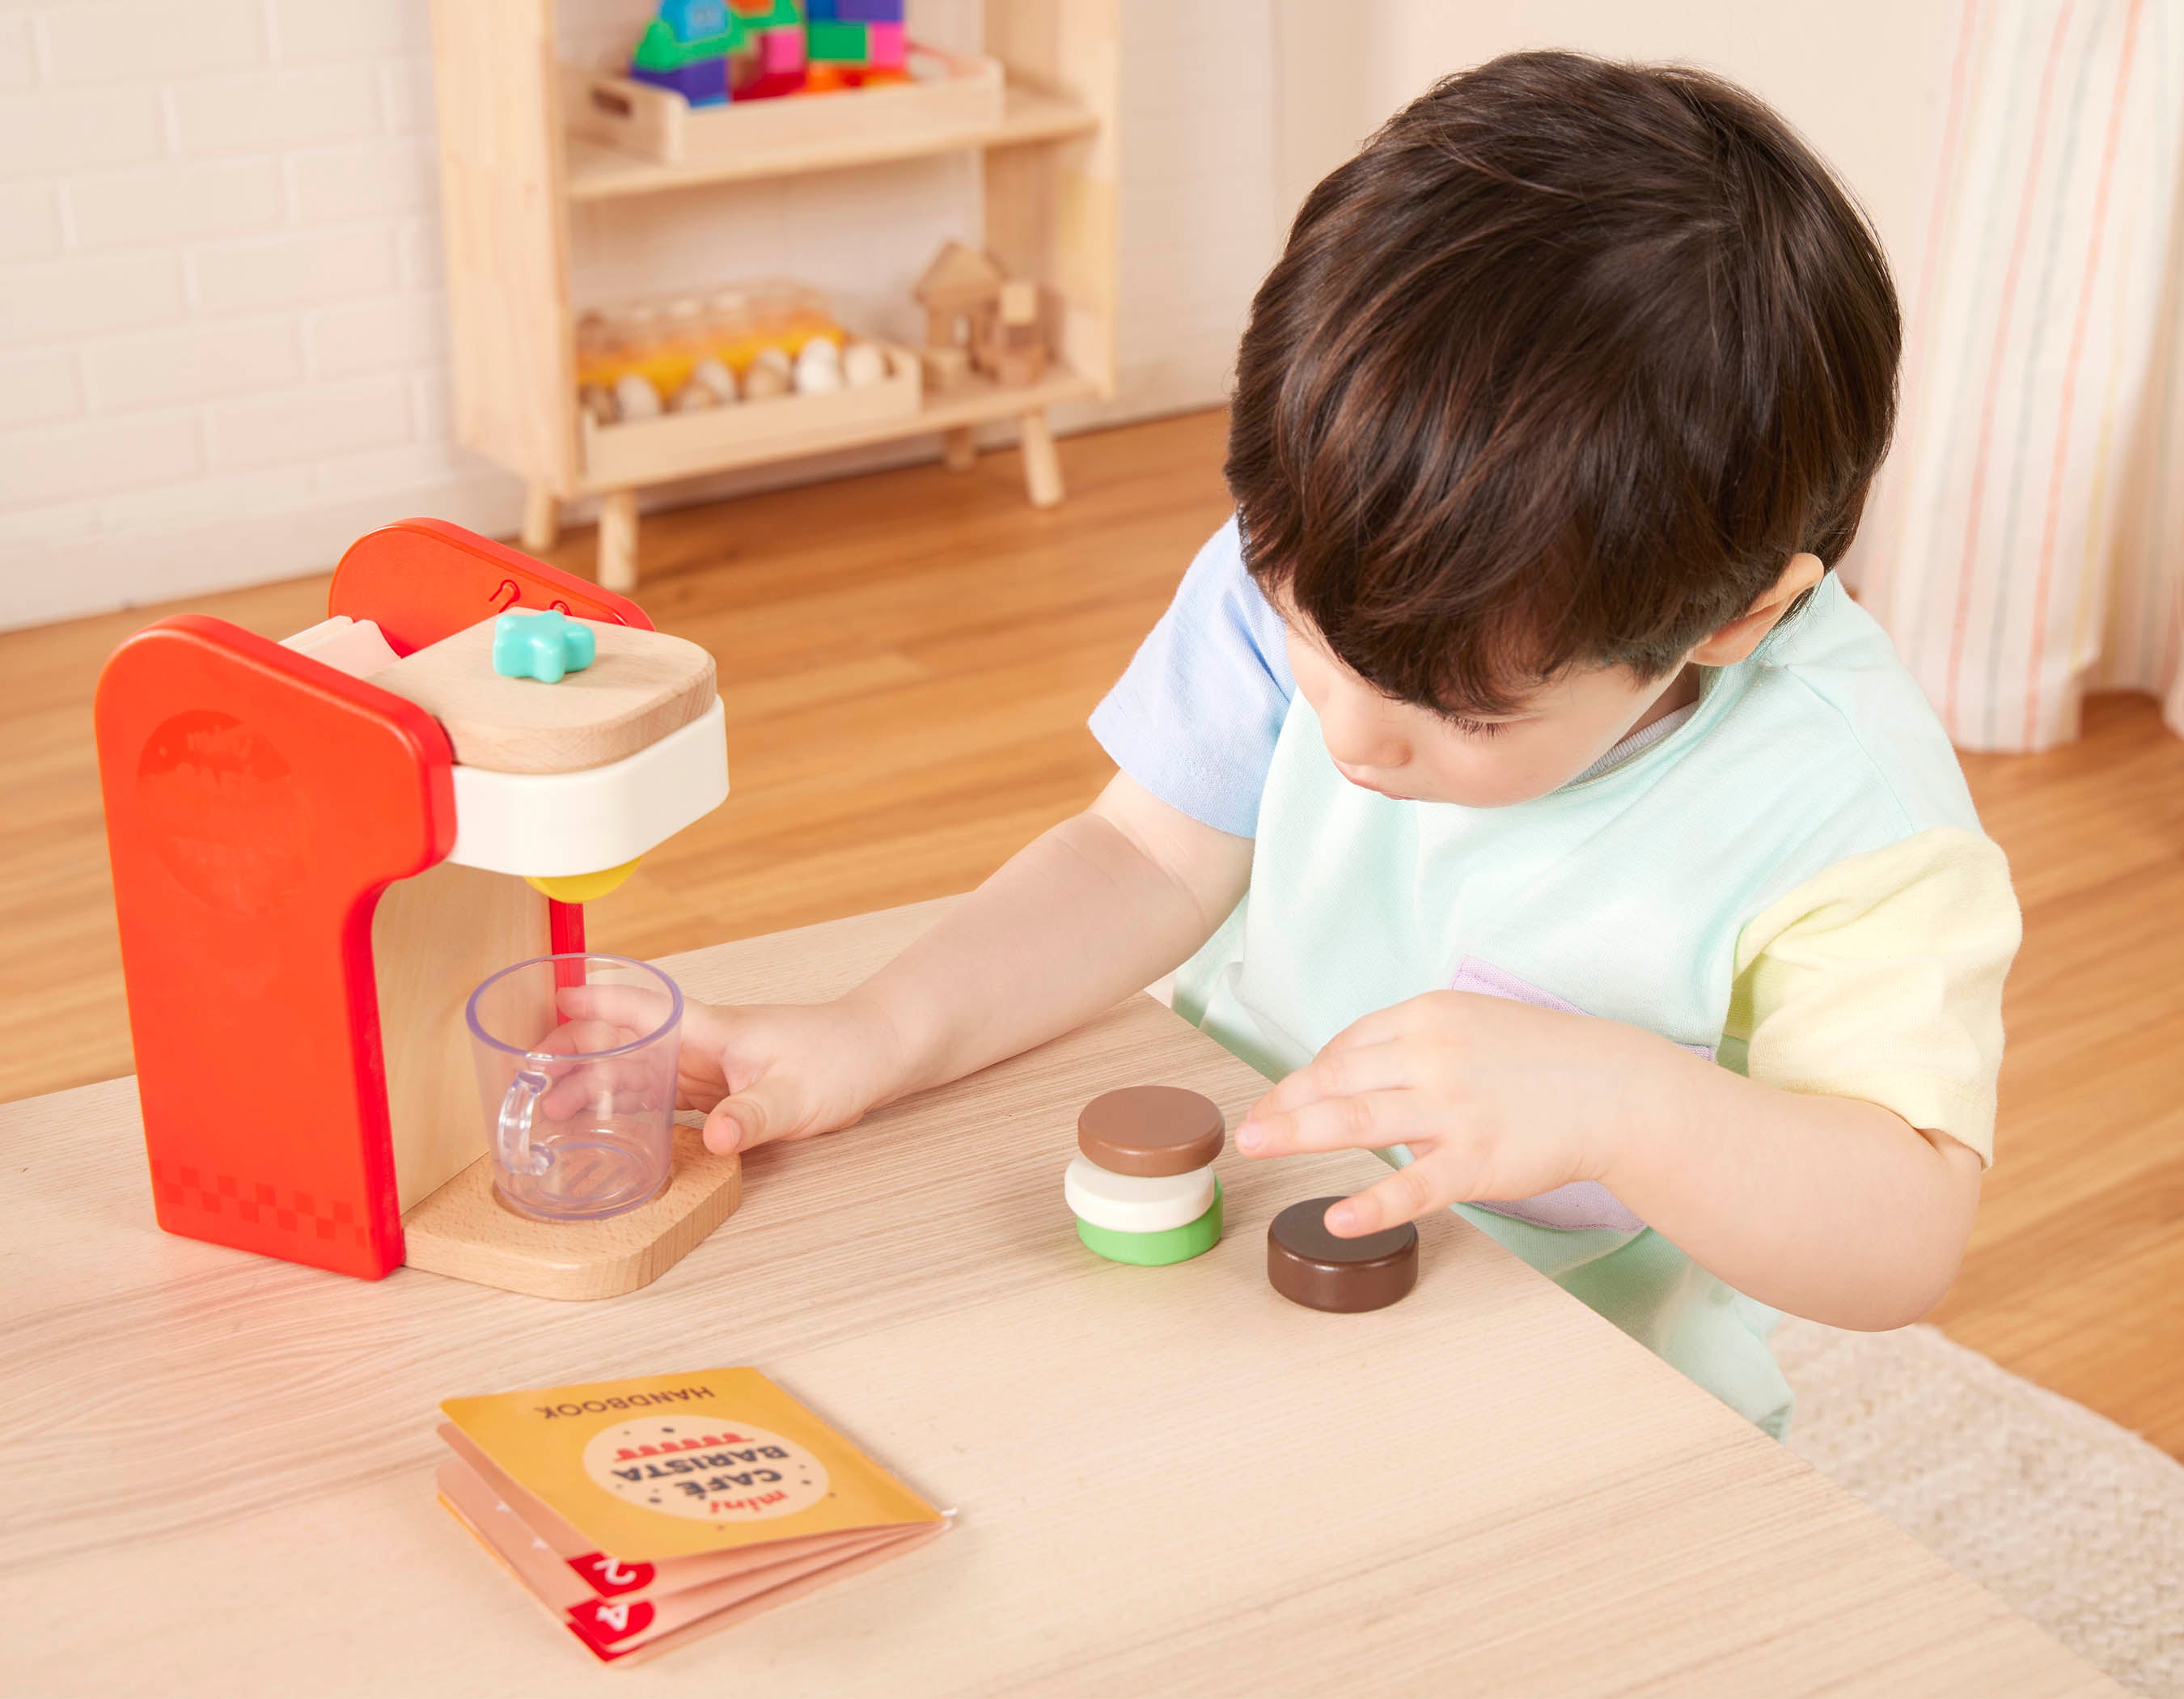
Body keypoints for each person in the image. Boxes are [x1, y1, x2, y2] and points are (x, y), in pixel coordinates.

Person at [586, 52, 2022, 1435]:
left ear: (1737, 616)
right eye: (1298, 641)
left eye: (1459, 715)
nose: (1343, 735)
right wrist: (874, 1030)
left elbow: (1903, 1241)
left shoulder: (1847, 811)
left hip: (1561, 1407)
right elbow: (1144, 854)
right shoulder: (1342, 557)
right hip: (1236, 1263)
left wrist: (1624, 1109)